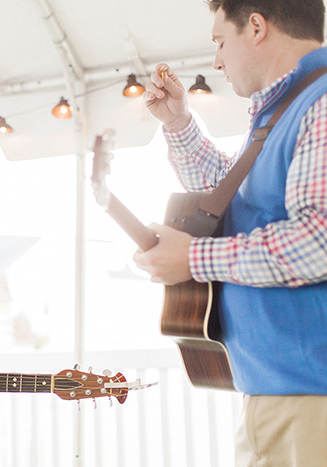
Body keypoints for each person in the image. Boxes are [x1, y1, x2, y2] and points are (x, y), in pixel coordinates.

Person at [134, 1, 327, 465]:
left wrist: (194, 259)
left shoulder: (319, 105)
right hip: (285, 394)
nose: (217, 60)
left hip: (307, 398)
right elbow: (230, 198)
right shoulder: (293, 107)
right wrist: (179, 123)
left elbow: (318, 242)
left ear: (256, 27)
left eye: (220, 41)